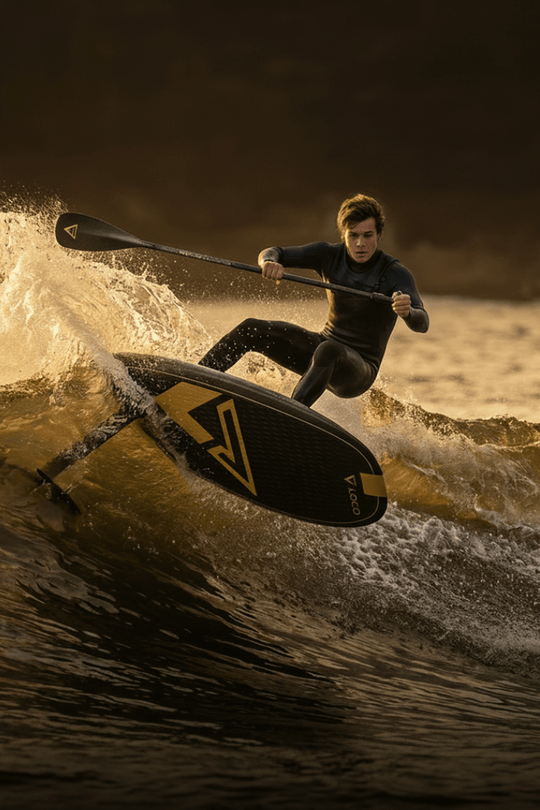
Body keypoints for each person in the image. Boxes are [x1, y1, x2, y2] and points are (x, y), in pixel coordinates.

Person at [199, 194, 429, 407]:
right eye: (353, 235)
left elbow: (423, 322)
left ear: (378, 235)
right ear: (343, 235)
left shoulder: (395, 273)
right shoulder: (328, 255)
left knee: (328, 350)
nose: (360, 243)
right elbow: (273, 251)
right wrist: (268, 262)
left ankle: (290, 416)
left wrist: (408, 312)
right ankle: (193, 382)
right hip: (323, 351)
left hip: (358, 371)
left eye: (367, 235)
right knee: (251, 328)